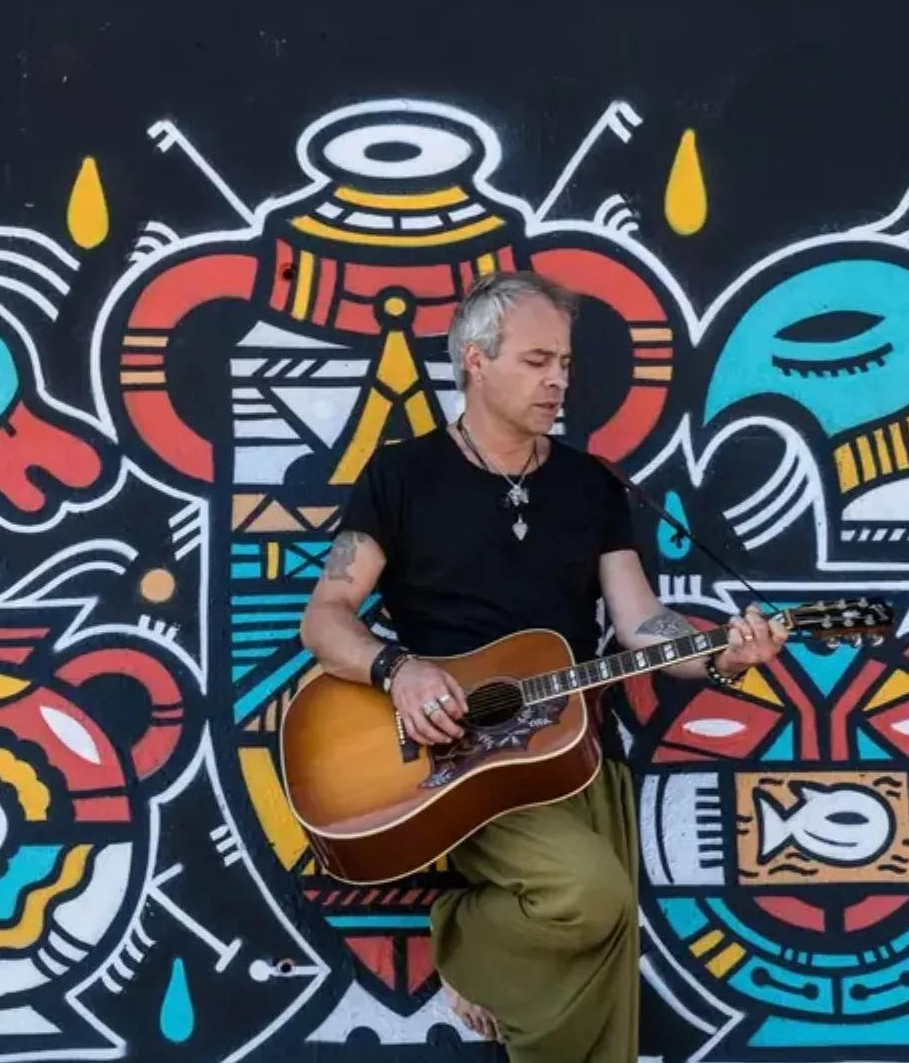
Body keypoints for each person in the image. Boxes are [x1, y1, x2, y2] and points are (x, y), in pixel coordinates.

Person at [299, 270, 790, 1062]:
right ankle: (462, 938)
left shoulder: (589, 484)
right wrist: (399, 670)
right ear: (475, 361)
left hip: (574, 748)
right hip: (451, 760)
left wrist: (719, 655)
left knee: (600, 954)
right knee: (586, 895)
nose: (558, 379)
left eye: (563, 361)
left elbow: (640, 623)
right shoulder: (400, 475)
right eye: (536, 361)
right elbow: (323, 619)